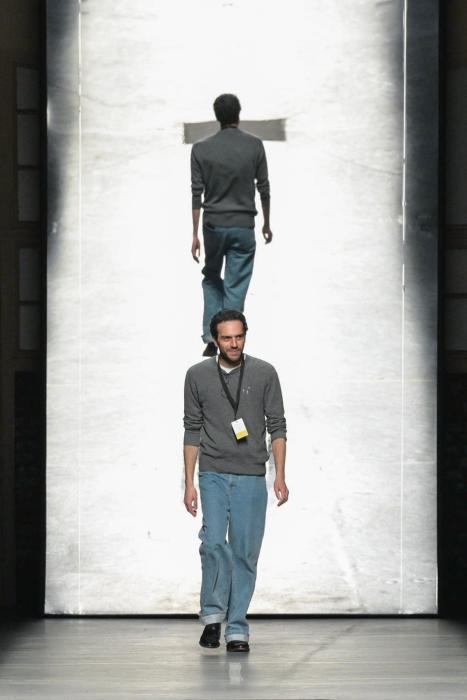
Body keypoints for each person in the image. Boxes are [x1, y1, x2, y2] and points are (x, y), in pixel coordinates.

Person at [183, 309, 289, 652]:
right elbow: (192, 429)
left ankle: (237, 628)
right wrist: (189, 482)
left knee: (245, 553)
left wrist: (280, 475)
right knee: (214, 542)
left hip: (251, 475)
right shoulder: (197, 375)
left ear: (245, 335)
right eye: (226, 338)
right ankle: (214, 616)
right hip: (212, 472)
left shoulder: (264, 372)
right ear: (215, 339)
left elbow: (277, 426)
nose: (233, 343)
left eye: (239, 336)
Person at [190, 94, 273, 357]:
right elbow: (263, 188)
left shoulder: (200, 149)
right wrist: (266, 223)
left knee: (212, 277)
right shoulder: (254, 146)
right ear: (238, 113)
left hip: (213, 225)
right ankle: (231, 338)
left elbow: (196, 193)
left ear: (217, 116)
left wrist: (195, 234)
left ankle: (211, 336)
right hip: (243, 225)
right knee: (236, 285)